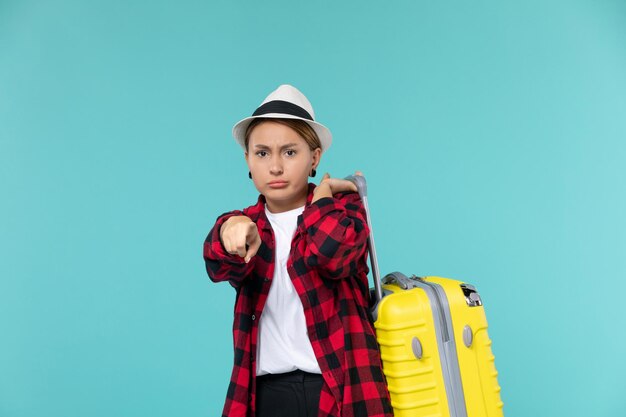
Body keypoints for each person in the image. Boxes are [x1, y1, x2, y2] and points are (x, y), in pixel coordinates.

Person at [203, 84, 393, 417]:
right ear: (247, 158)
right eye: (262, 153)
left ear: (314, 157)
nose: (275, 167)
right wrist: (227, 231)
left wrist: (321, 201)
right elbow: (217, 263)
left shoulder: (343, 210)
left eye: (289, 152)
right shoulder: (245, 224)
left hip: (340, 390)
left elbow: (332, 255)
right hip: (267, 395)